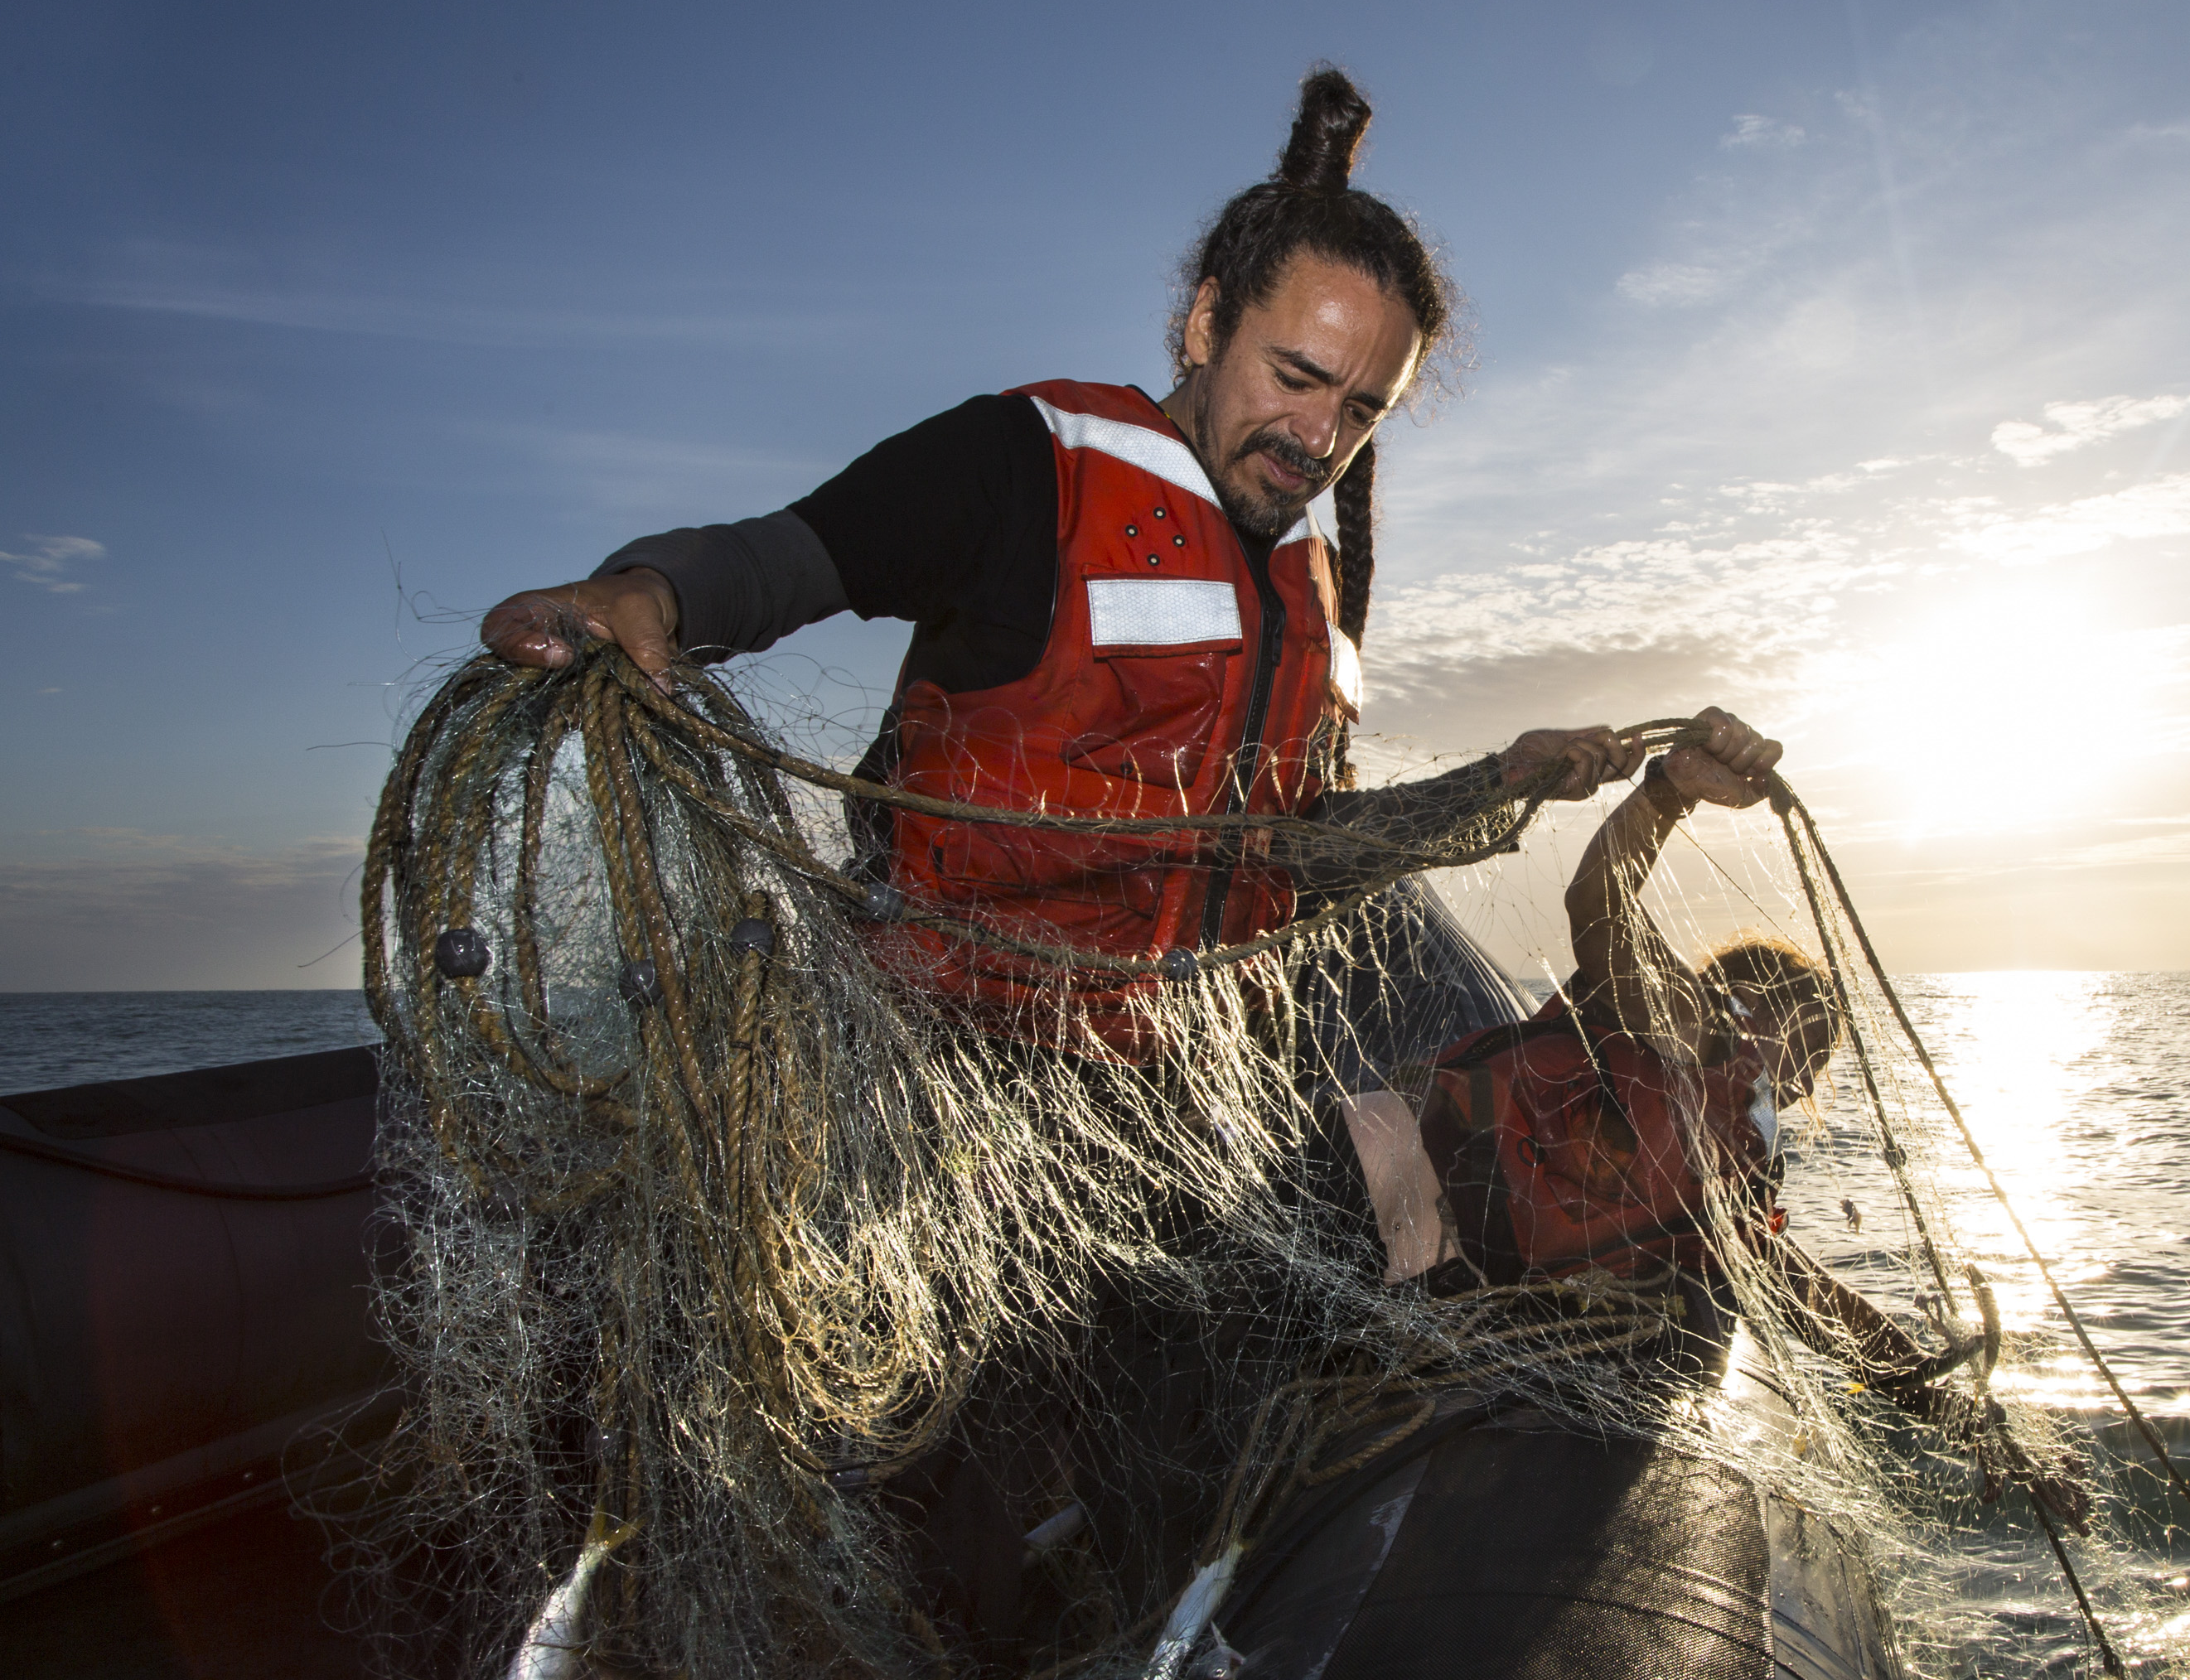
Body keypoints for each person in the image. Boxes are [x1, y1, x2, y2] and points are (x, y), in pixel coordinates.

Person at [474, 67, 1636, 1053]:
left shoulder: (1314, 597)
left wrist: (1505, 778)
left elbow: (1302, 856)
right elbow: (794, 556)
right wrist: (648, 591)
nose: (1316, 442)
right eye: (1294, 377)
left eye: (1362, 409)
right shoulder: (1030, 463)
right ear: (1203, 325)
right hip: (949, 1049)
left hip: (1186, 1078)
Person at [1366, 709, 2093, 1525]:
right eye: (1803, 1044)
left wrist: (1965, 1422)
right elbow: (1596, 898)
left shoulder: (1715, 1154)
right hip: (1396, 1218)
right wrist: (1669, 794)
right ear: (1751, 999)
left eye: (1812, 1068)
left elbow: (1796, 1290)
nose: (1793, 1081)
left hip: (1466, 1269)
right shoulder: (1683, 1017)